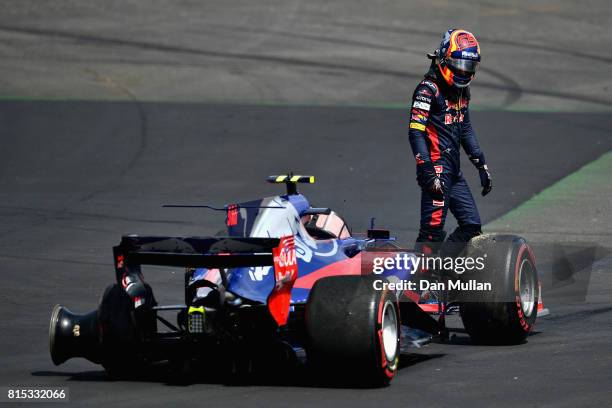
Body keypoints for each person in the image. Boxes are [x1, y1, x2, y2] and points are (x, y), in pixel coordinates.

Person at [408, 29, 493, 255]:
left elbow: (465, 128)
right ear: (445, 58)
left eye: (469, 67)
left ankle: (441, 273)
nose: (463, 72)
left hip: (453, 172)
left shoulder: (461, 93)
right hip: (435, 169)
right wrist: (425, 168)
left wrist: (481, 164)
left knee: (471, 225)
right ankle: (418, 284)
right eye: (459, 65)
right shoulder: (427, 91)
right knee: (432, 232)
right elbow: (415, 132)